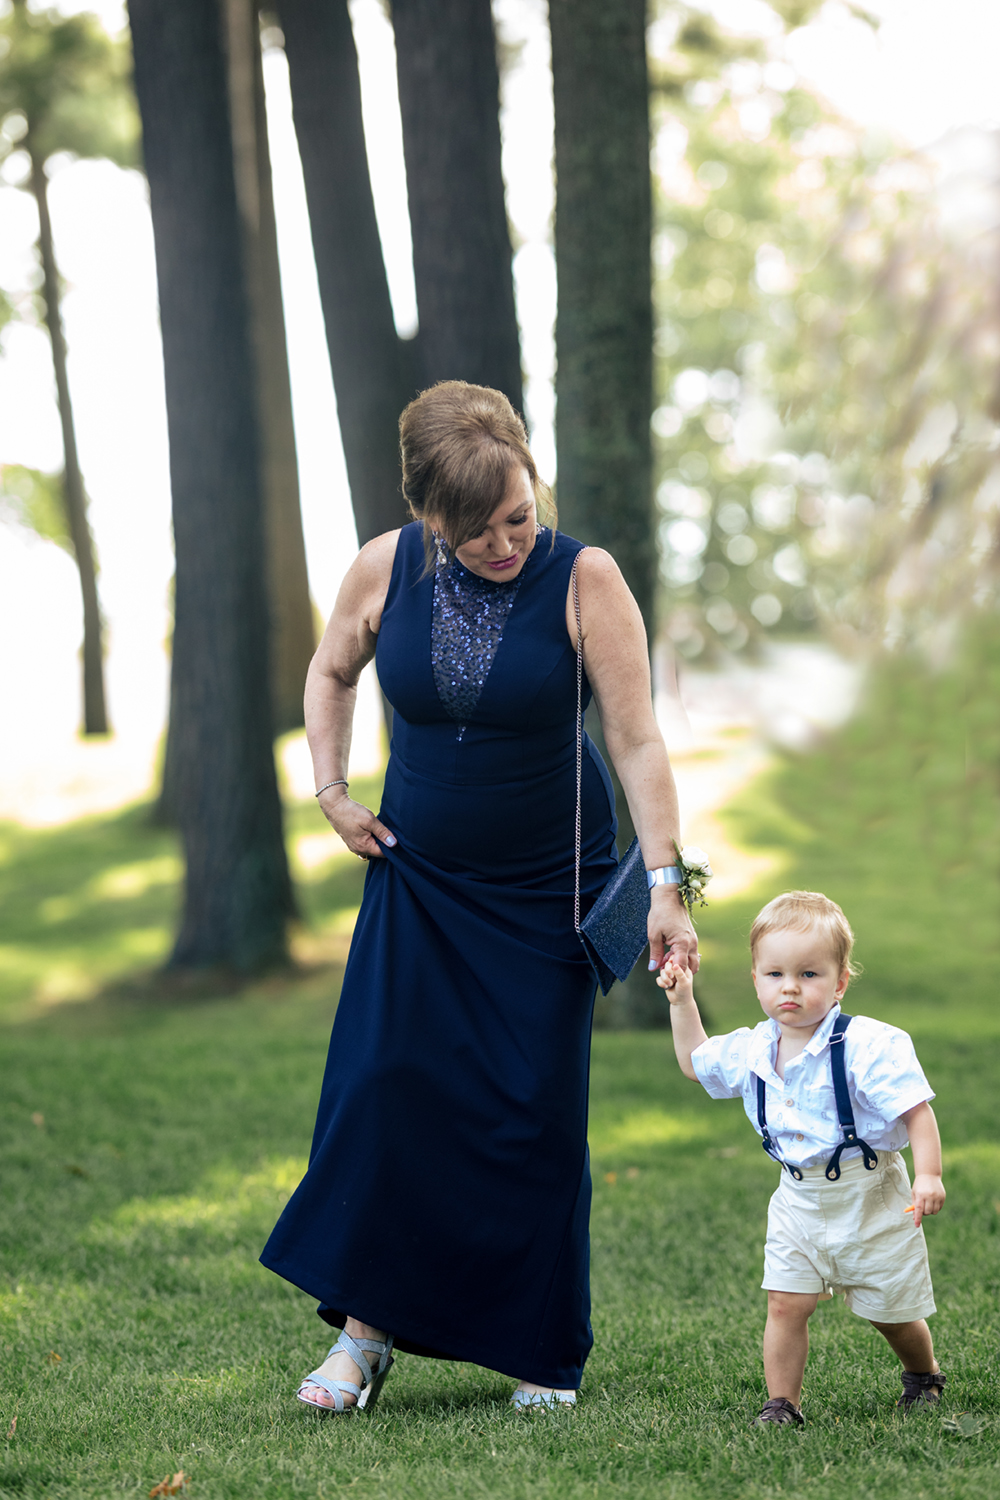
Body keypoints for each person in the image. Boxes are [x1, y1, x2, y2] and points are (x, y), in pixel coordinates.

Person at [260, 381, 699, 1412]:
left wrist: (668, 885)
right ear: (429, 516)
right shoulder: (384, 567)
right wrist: (330, 792)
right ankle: (363, 1338)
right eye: (477, 530)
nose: (504, 543)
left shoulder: (585, 578)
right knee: (384, 1092)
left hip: (548, 891)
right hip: (418, 880)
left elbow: (636, 739)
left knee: (529, 1115)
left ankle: (538, 1350)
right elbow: (330, 672)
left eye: (517, 517)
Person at [658, 889, 945, 1427]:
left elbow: (915, 1110)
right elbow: (696, 1063)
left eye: (809, 974)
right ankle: (782, 1404)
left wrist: (928, 1174)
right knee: (786, 1302)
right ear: (756, 980)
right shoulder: (752, 1048)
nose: (790, 986)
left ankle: (922, 1373)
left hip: (870, 1195)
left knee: (891, 1311)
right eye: (775, 974)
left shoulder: (866, 1046)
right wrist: (682, 1002)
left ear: (840, 982)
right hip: (797, 1198)